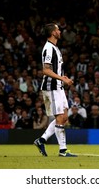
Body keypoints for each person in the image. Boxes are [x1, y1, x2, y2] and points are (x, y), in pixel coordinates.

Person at [33, 23, 77, 157]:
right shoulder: (49, 48)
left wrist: (61, 78)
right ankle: (63, 150)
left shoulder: (55, 48)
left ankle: (41, 140)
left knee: (64, 117)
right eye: (58, 30)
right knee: (59, 116)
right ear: (53, 33)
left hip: (58, 86)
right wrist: (62, 79)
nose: (60, 31)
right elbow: (45, 70)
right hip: (51, 86)